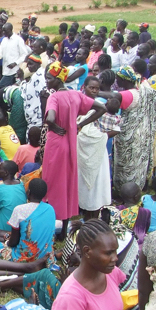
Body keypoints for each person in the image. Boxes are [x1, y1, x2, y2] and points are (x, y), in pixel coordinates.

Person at [41, 62, 106, 237]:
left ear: (57, 79)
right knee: (68, 182)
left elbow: (51, 116)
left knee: (51, 182)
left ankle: (48, 224)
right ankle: (64, 228)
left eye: (49, 78)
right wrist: (79, 124)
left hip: (55, 144)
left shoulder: (53, 97)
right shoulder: (76, 95)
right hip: (70, 143)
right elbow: (102, 107)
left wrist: (52, 125)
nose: (46, 81)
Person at [101, 66, 156, 191]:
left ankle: (125, 191)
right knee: (137, 163)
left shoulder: (130, 94)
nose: (116, 82)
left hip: (129, 136)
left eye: (118, 79)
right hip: (142, 133)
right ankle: (136, 189)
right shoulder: (143, 90)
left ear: (124, 80)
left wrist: (94, 92)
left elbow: (115, 95)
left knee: (127, 165)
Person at [77, 76, 112, 217]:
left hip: (96, 150)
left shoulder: (100, 106)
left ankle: (93, 208)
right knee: (81, 181)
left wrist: (101, 137)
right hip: (80, 150)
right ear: (84, 87)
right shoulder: (78, 103)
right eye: (91, 88)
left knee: (96, 181)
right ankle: (82, 207)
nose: (94, 91)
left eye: (97, 89)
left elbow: (113, 128)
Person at [6, 178, 56, 263]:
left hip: (25, 259)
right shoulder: (50, 209)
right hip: (46, 259)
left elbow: (13, 242)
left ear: (28, 192)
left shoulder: (19, 209)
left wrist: (7, 243)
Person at [0, 23, 27, 88]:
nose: (4, 32)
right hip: (5, 69)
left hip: (14, 70)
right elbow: (0, 52)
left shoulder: (18, 40)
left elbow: (24, 54)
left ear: (10, 30)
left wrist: (15, 63)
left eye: (5, 31)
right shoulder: (4, 40)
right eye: (3, 31)